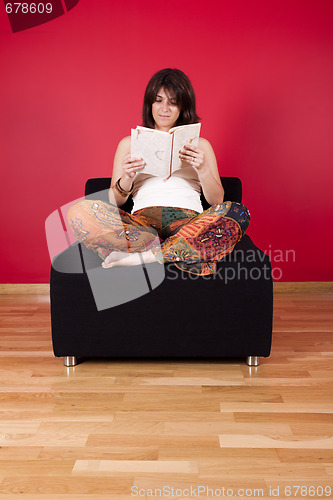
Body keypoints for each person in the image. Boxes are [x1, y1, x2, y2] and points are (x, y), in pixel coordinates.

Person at [68, 68, 250, 276]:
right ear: (150, 104)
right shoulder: (128, 144)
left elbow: (217, 201)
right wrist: (127, 178)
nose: (165, 108)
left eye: (173, 102)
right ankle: (180, 251)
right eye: (158, 100)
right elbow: (114, 201)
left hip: (188, 223)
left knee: (239, 212)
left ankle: (144, 257)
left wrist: (202, 168)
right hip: (143, 227)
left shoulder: (201, 145)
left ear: (183, 106)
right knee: (78, 211)